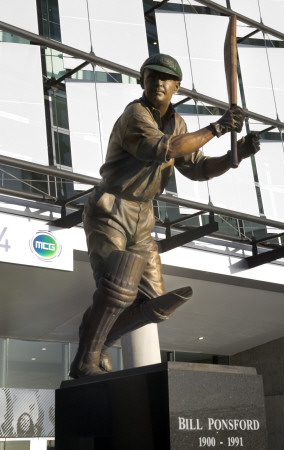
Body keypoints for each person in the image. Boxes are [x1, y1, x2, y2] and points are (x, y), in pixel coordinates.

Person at [69, 53, 260, 379]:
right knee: (118, 287)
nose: (158, 82)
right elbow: (165, 149)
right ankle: (85, 360)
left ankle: (100, 339)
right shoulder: (135, 115)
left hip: (143, 215)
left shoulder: (179, 124)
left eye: (165, 78)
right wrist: (217, 127)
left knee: (156, 303)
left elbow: (198, 168)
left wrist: (235, 153)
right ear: (142, 80)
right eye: (151, 76)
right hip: (111, 208)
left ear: (177, 87)